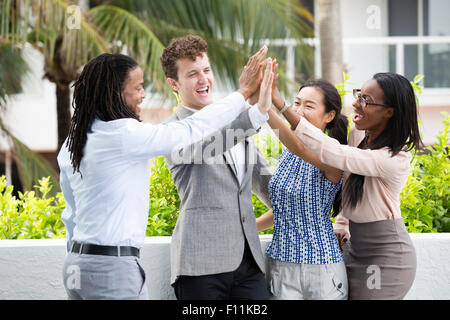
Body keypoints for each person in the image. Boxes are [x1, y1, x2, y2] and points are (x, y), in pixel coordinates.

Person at [58, 49, 266, 300]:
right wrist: (243, 94)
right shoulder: (125, 134)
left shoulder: (73, 141)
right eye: (138, 88)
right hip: (113, 268)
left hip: (77, 263)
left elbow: (71, 214)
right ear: (116, 93)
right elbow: (190, 129)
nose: (143, 95)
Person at [264, 70, 422, 300]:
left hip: (385, 256)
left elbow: (333, 153)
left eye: (366, 100)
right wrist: (342, 222)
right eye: (359, 95)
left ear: (389, 112)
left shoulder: (395, 158)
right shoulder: (359, 137)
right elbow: (350, 186)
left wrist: (279, 103)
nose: (356, 104)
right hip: (354, 250)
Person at [161, 35, 273, 300]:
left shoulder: (237, 123)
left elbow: (273, 189)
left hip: (248, 265)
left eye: (206, 70)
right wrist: (254, 111)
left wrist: (339, 214)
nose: (203, 80)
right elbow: (207, 147)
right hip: (200, 267)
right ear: (173, 84)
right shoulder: (172, 131)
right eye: (192, 74)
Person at [256, 77, 349, 300]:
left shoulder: (333, 153)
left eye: (309, 106)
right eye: (296, 103)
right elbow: (284, 209)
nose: (299, 110)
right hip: (281, 264)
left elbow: (299, 146)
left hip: (322, 267)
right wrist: (245, 229)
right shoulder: (288, 154)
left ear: (330, 115)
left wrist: (268, 105)